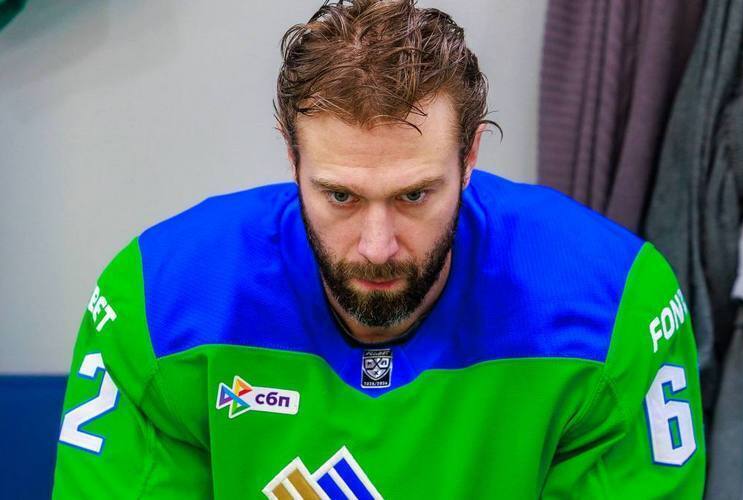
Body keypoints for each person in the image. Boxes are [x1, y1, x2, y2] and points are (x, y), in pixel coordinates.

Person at [52, 0, 706, 498]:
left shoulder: (613, 307)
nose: (376, 246)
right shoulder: (157, 303)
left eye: (414, 195)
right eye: (339, 195)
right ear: (292, 158)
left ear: (470, 157)